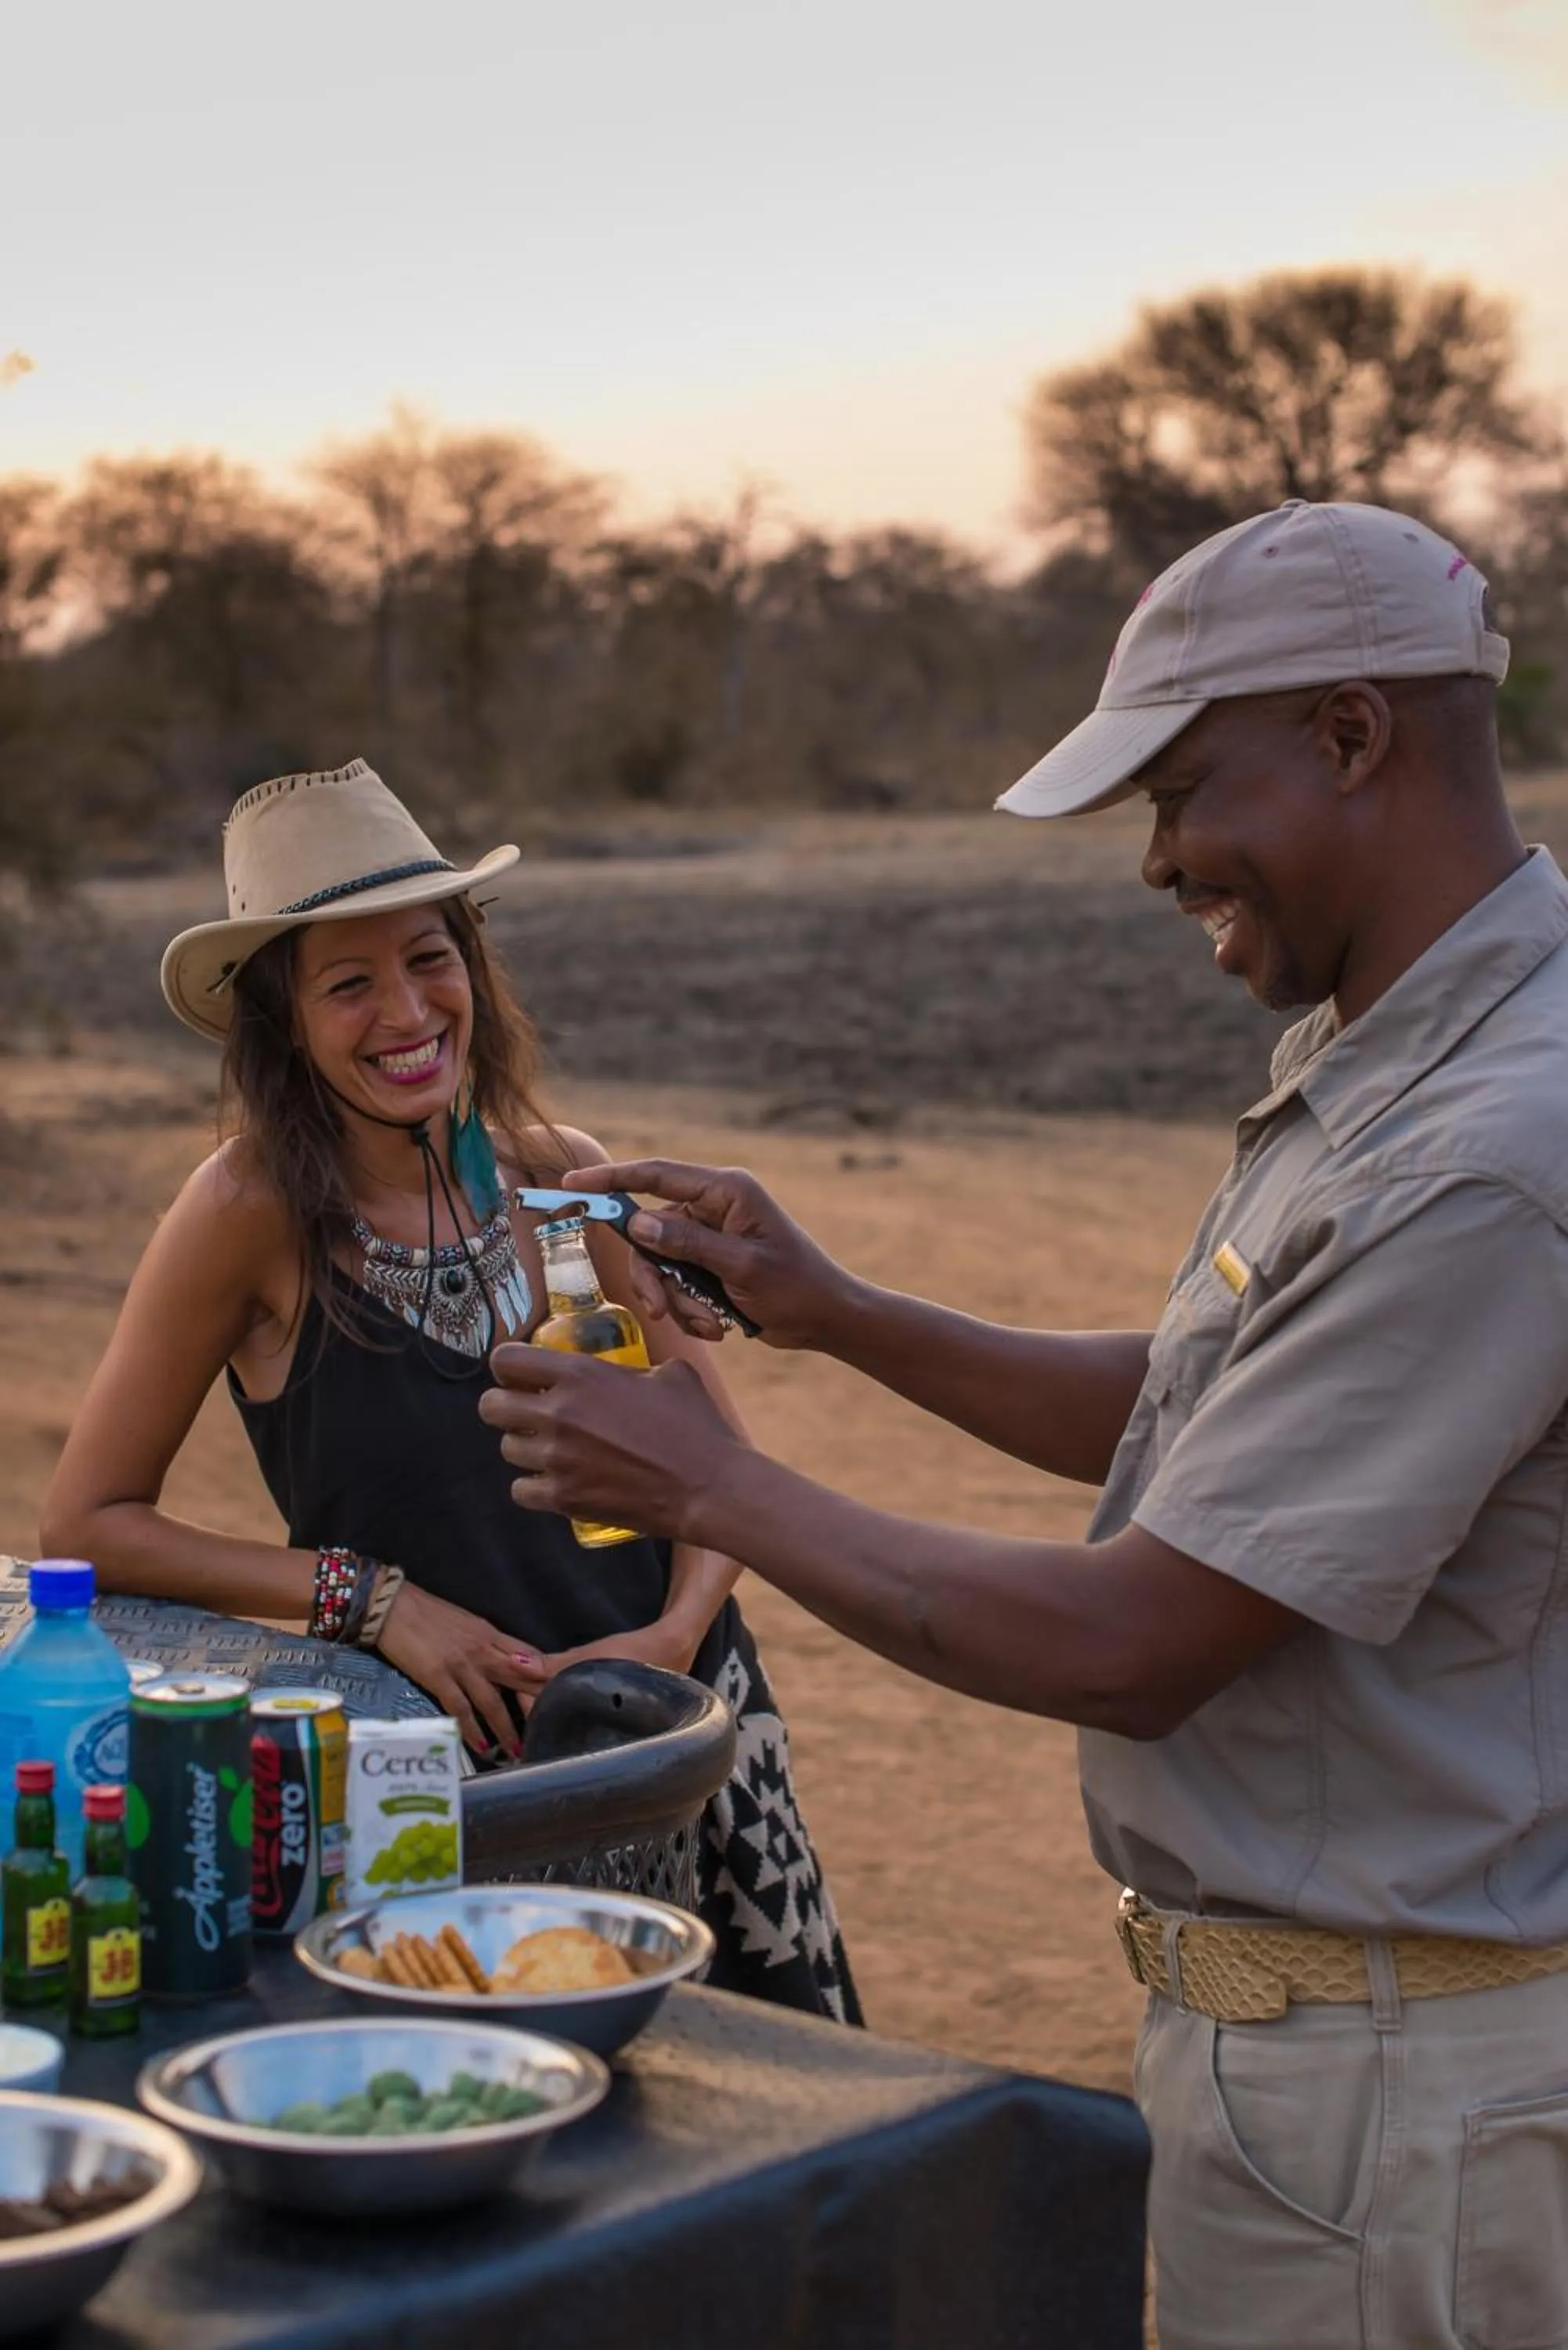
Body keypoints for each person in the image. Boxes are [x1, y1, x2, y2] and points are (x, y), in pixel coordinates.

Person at [481, 501, 1568, 2347]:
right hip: (1349, 2056)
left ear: (1350, 737)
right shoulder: (1404, 1060)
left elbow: (1139, 1640)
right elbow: (1209, 1417)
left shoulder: (1478, 1153)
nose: (1154, 861)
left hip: (1402, 2103)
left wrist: (719, 1485)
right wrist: (841, 1314)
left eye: (1174, 792)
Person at [41, 757, 858, 2024]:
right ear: (283, 1022)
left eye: (430, 959)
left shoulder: (559, 1176)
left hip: (692, 1741)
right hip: (443, 1782)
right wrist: (373, 1602)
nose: (405, 1011)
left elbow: (715, 1469)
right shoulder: (246, 1215)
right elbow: (86, 1526)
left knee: (772, 2102)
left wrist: (664, 1646)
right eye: (348, 983)